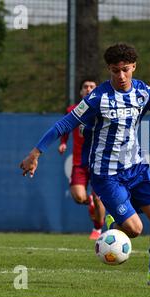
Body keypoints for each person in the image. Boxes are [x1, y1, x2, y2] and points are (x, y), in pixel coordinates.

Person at [20, 42, 150, 286]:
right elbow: (64, 124)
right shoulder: (98, 98)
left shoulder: (144, 93)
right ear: (109, 70)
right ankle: (113, 223)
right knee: (135, 230)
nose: (121, 75)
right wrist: (35, 153)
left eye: (126, 69)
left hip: (137, 169)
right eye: (115, 70)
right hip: (107, 174)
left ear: (134, 66)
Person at [58, 79, 106, 240]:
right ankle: (90, 201)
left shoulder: (102, 109)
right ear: (80, 92)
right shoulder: (72, 110)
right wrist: (63, 143)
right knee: (79, 197)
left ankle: (98, 229)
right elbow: (65, 128)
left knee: (100, 198)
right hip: (79, 162)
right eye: (85, 87)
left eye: (92, 87)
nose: (88, 89)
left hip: (98, 161)